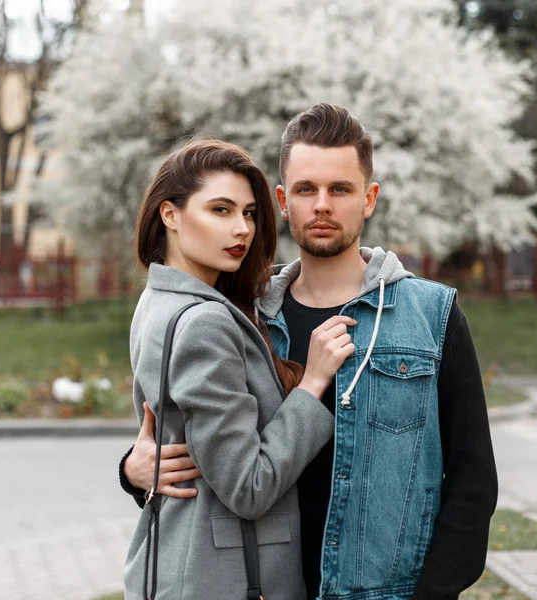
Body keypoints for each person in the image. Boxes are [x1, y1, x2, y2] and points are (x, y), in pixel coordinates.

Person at [121, 105, 498, 600]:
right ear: (282, 201)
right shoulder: (245, 314)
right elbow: (207, 448)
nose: (322, 205)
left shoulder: (431, 314)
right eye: (305, 190)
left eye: (340, 189)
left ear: (369, 199)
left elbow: (473, 482)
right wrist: (133, 469)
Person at [123, 138, 359, 599]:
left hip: (178, 562)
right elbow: (249, 487)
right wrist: (311, 384)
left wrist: (134, 470)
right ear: (169, 215)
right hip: (221, 579)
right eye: (221, 210)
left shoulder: (157, 301)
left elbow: (184, 443)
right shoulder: (205, 323)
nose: (242, 230)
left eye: (249, 213)